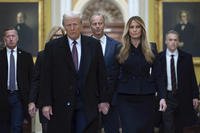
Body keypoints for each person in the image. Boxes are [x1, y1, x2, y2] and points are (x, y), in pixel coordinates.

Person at [39, 11, 110, 133]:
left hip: (87, 103)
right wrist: (46, 103)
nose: (72, 28)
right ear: (64, 26)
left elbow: (101, 75)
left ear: (81, 25)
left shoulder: (93, 45)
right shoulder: (52, 47)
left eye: (75, 24)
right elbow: (46, 77)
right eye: (68, 25)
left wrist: (104, 100)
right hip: (60, 104)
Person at [116, 16, 157, 133]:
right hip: (125, 97)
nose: (134, 30)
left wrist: (162, 96)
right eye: (132, 27)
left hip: (146, 96)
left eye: (137, 27)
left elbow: (158, 74)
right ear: (128, 30)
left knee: (146, 129)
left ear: (142, 29)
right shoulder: (120, 48)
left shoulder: (151, 48)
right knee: (129, 129)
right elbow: (114, 74)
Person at [157, 30, 199, 133]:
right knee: (168, 127)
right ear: (166, 41)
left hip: (183, 96)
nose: (173, 42)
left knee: (180, 126)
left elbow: (192, 78)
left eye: (175, 40)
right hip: (167, 96)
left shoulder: (187, 57)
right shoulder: (159, 57)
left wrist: (195, 96)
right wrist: (161, 96)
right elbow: (157, 79)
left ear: (178, 42)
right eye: (170, 40)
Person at [28, 26, 65, 133]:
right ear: (51, 37)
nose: (58, 38)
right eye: (55, 35)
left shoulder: (69, 55)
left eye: (60, 36)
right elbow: (36, 80)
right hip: (45, 101)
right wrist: (32, 101)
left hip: (63, 103)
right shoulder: (42, 55)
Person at [89, 12, 120, 133]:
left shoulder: (116, 46)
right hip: (90, 100)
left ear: (104, 25)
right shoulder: (83, 45)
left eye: (100, 23)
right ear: (90, 26)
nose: (97, 26)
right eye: (94, 23)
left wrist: (110, 98)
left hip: (112, 99)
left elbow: (118, 74)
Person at [0, 27, 33, 133]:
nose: (11, 38)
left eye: (13, 36)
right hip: (2, 97)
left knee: (16, 127)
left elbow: (32, 80)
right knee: (3, 128)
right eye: (8, 36)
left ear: (17, 38)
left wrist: (32, 101)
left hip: (19, 97)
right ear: (4, 39)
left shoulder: (26, 57)